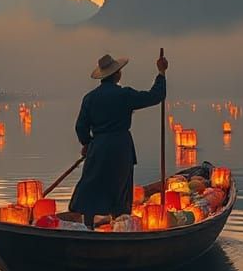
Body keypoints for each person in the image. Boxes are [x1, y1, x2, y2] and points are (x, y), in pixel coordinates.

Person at [68, 51, 168, 227]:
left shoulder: (90, 98)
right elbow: (155, 96)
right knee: (120, 188)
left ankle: (88, 227)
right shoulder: (125, 95)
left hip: (98, 148)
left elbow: (80, 127)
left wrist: (87, 143)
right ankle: (121, 227)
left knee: (92, 186)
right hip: (120, 148)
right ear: (118, 74)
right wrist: (161, 72)